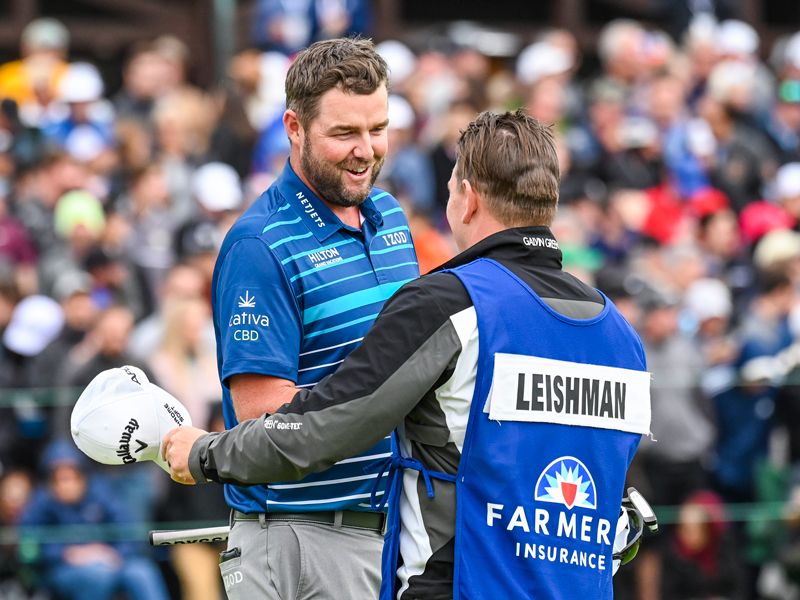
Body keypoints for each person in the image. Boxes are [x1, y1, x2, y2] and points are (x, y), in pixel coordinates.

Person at [164, 109, 652, 599]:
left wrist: (204, 453)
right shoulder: (621, 335)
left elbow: (326, 426)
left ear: (468, 199)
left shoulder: (449, 303)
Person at [192, 37, 419, 600]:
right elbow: (261, 418)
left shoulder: (389, 215)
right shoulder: (258, 244)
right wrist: (381, 401)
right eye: (344, 133)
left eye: (378, 128)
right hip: (301, 538)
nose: (366, 150)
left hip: (390, 530)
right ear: (294, 128)